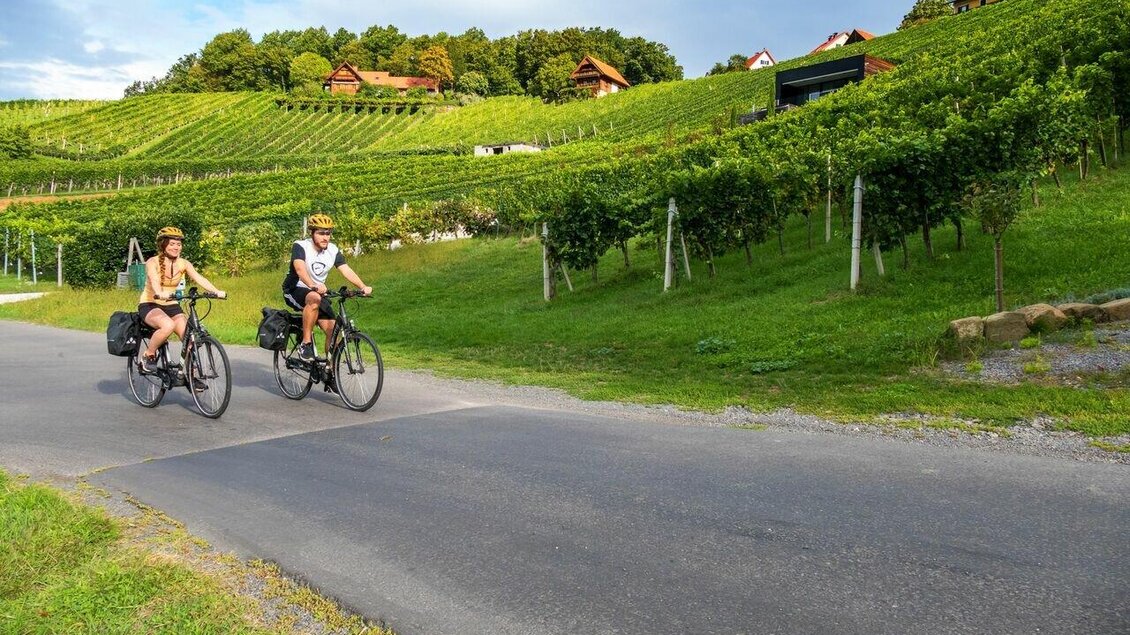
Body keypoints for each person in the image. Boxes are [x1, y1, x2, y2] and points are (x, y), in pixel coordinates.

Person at [282, 213, 372, 361]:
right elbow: (299, 269)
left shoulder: (333, 250)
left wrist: (362, 286)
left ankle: (331, 372)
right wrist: (312, 284)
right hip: (295, 289)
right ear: (312, 233)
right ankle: (306, 343)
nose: (325, 237)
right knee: (314, 298)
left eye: (328, 233)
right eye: (321, 233)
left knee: (333, 330)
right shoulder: (300, 246)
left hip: (318, 292)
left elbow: (346, 269)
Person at [138, 226, 226, 371]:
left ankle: (189, 376)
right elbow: (154, 280)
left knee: (189, 338)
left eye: (179, 244)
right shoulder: (152, 262)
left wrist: (216, 292)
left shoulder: (183, 263)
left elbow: (199, 278)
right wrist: (160, 292)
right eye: (172, 244)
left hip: (171, 305)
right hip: (150, 303)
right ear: (163, 244)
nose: (176, 247)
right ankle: (148, 355)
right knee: (167, 326)